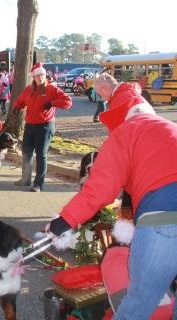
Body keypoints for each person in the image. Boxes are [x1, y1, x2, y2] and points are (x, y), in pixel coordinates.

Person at [47, 72, 177, 320]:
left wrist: (62, 222)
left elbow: (99, 190)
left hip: (163, 219)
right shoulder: (170, 126)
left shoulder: (126, 133)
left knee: (138, 304)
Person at [13, 62, 72, 192]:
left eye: (42, 75)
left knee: (41, 154)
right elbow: (21, 100)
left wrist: (52, 103)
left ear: (45, 76)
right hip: (30, 125)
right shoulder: (29, 89)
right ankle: (25, 179)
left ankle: (38, 184)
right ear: (33, 77)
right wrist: (17, 107)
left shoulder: (52, 89)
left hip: (45, 126)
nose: (40, 77)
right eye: (37, 75)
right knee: (26, 152)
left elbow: (68, 101)